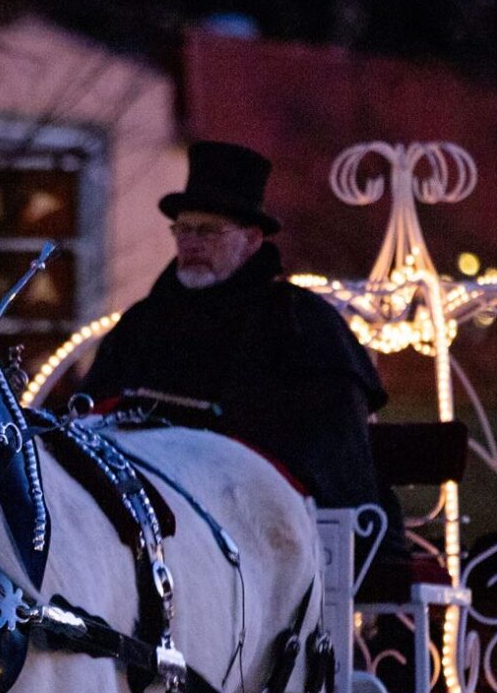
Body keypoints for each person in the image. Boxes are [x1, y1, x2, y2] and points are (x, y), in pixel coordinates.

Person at [80, 141, 402, 543]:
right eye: (184, 229)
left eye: (209, 231)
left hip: (263, 528)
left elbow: (331, 454)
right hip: (144, 520)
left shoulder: (300, 323)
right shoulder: (141, 325)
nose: (192, 243)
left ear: (251, 240)